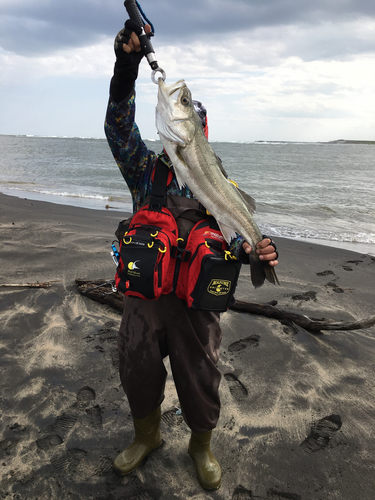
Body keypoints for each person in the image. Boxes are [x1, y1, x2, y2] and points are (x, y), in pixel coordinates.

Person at [104, 20, 279, 491]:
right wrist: (125, 68)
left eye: (192, 117)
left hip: (196, 303)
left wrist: (258, 249)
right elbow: (117, 127)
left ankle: (200, 446)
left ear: (200, 130)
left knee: (201, 375)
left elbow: (238, 236)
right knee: (136, 367)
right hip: (146, 296)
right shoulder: (144, 170)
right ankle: (148, 437)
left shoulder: (220, 182)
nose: (185, 119)